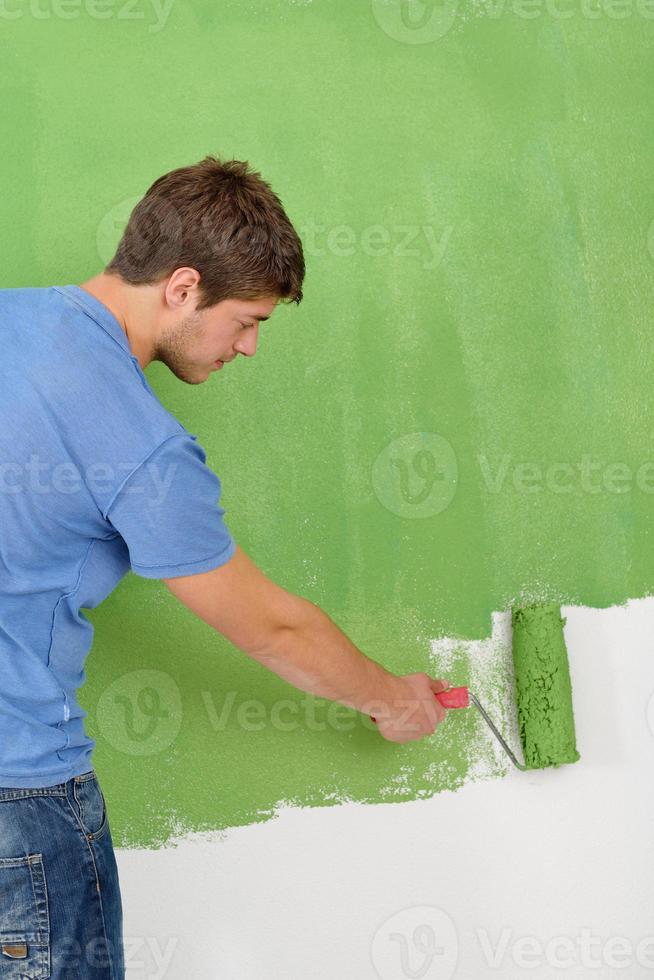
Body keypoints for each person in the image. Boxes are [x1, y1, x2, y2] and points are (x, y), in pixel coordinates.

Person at [0, 155, 449, 979]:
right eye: (247, 320)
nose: (247, 347)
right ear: (180, 287)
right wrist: (393, 701)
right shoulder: (143, 448)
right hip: (18, 809)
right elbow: (273, 629)